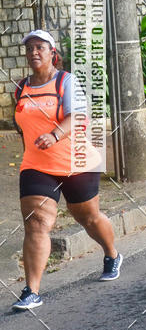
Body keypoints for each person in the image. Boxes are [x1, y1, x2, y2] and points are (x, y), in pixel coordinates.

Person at [12, 31, 121, 311]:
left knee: (88, 217)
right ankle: (31, 291)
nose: (34, 52)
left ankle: (111, 254)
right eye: (29, 48)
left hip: (77, 162)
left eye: (40, 47)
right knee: (36, 224)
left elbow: (78, 116)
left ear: (52, 53)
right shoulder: (21, 87)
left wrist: (55, 135)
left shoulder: (66, 81)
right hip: (37, 165)